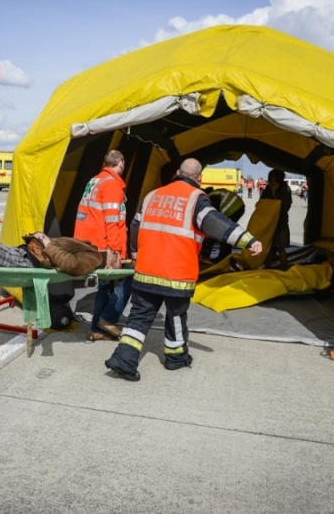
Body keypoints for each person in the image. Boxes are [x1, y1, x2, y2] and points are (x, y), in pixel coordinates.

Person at [104, 158, 263, 381]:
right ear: (199, 179)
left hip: (146, 270)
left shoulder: (152, 196)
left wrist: (136, 255)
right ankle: (175, 359)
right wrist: (248, 240)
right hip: (176, 274)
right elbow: (216, 223)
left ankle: (123, 360)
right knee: (176, 316)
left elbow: (135, 226)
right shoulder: (196, 199)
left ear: (178, 172)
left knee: (138, 318)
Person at [74, 149, 132, 341]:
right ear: (121, 164)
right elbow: (112, 220)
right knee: (128, 278)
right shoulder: (112, 185)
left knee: (105, 286)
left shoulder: (94, 181)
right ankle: (107, 319)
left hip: (90, 244)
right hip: (104, 245)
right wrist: (115, 251)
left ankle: (96, 329)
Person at [199, 187, 245, 263]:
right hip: (238, 207)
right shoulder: (214, 194)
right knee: (225, 231)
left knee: (224, 232)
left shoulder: (212, 197)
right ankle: (225, 256)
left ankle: (223, 257)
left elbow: (213, 216)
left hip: (233, 208)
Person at [259, 168, 293, 270]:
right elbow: (261, 202)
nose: (273, 181)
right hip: (268, 222)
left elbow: (285, 205)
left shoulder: (284, 188)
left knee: (280, 247)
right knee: (269, 247)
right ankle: (267, 267)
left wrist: (273, 205)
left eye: (275, 179)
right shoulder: (268, 188)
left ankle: (284, 267)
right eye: (271, 179)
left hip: (280, 222)